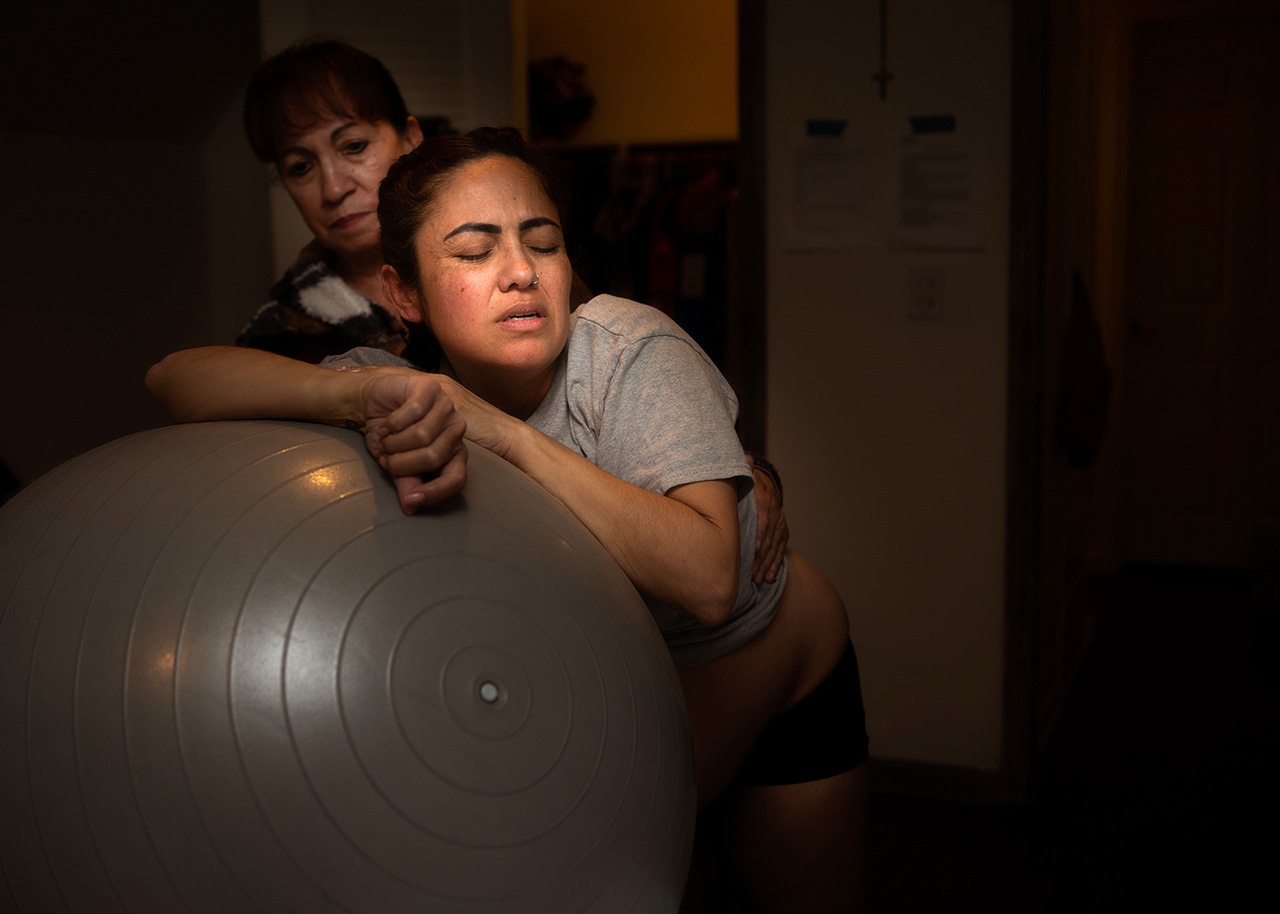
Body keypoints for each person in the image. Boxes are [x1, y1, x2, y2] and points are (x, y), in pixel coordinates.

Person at [147, 127, 867, 912]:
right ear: (404, 293)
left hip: (769, 646)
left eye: (542, 242)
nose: (520, 272)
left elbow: (705, 577)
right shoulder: (405, 383)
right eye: (474, 251)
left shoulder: (629, 349)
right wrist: (349, 397)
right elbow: (175, 379)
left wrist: (506, 436)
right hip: (626, 664)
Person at [235, 39, 426, 364]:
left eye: (353, 147)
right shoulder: (277, 341)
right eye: (301, 167)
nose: (334, 189)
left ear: (410, 139)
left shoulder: (500, 273)